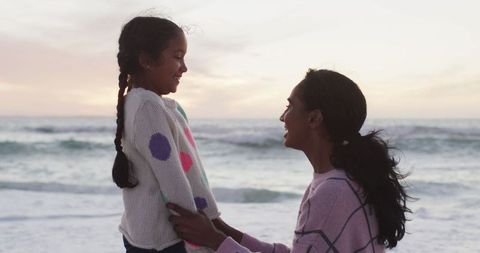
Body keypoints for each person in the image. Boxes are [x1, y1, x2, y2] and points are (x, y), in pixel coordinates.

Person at [167, 69, 410, 252]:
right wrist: (226, 232)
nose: (282, 117)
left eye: (290, 106)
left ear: (314, 118)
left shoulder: (333, 191)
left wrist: (215, 241)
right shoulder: (339, 180)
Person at [112, 16, 219, 253]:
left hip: (143, 233)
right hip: (165, 239)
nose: (184, 67)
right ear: (147, 61)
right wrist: (202, 242)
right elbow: (173, 180)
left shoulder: (143, 103)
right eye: (177, 57)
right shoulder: (148, 107)